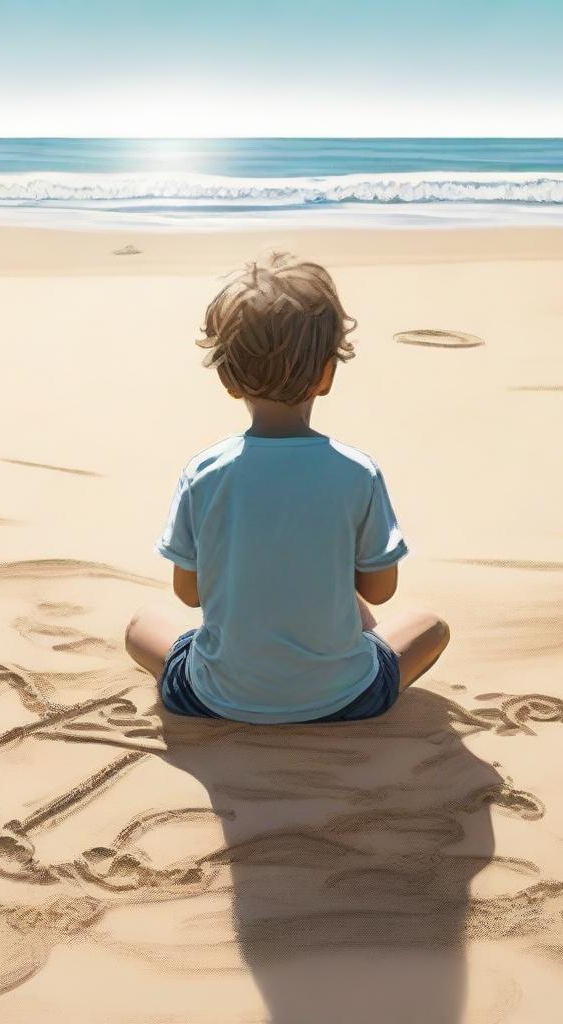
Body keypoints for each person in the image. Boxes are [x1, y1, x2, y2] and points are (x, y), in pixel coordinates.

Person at [125, 252, 450, 723]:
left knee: (141, 625)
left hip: (213, 697)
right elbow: (380, 592)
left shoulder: (205, 472)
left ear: (228, 380)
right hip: (348, 699)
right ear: (326, 374)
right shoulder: (357, 473)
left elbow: (190, 595)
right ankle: (335, 663)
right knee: (431, 626)